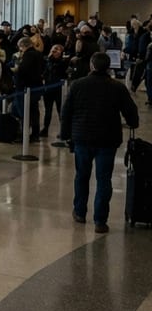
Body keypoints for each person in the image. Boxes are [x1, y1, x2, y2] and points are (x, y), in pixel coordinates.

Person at [59, 52, 140, 234]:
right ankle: (100, 220)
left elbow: (67, 111)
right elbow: (130, 111)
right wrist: (133, 123)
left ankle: (80, 212)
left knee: (82, 175)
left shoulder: (78, 85)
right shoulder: (116, 87)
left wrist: (65, 135)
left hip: (82, 137)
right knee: (104, 179)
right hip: (107, 139)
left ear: (91, 66)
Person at [13, 36, 44, 143]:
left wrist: (16, 71)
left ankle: (24, 135)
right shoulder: (38, 54)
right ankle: (35, 134)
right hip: (36, 86)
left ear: (23, 46)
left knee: (24, 112)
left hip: (26, 87)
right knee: (34, 111)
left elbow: (22, 70)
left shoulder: (28, 55)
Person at [41, 43, 69, 137]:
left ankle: (63, 130)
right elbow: (44, 72)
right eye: (54, 49)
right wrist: (49, 59)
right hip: (48, 88)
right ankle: (45, 129)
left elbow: (60, 71)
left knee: (60, 109)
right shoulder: (46, 60)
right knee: (47, 110)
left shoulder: (63, 62)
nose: (55, 51)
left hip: (59, 89)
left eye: (57, 49)